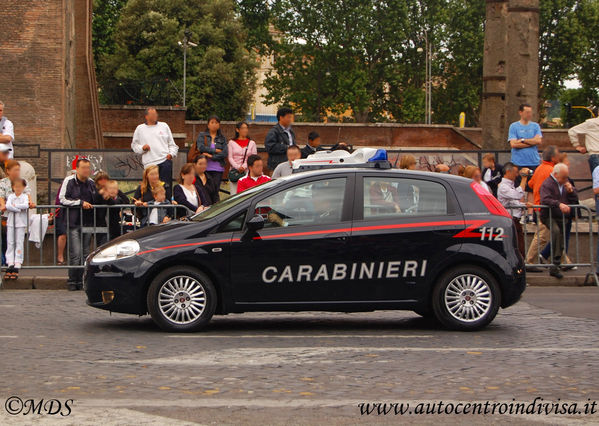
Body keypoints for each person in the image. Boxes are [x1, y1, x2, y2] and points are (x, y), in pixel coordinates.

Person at [59, 158, 95, 291]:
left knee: (86, 252)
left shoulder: (91, 183)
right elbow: (62, 199)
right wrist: (79, 203)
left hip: (88, 221)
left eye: (88, 168)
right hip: (73, 221)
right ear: (77, 169)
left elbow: (95, 199)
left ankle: (82, 280)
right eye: (84, 168)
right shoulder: (69, 181)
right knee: (76, 252)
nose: (86, 170)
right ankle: (72, 280)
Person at [539, 163, 578, 279]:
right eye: (563, 177)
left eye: (567, 177)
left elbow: (575, 199)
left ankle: (555, 265)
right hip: (549, 215)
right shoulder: (547, 184)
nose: (565, 180)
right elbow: (545, 199)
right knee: (556, 231)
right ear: (556, 175)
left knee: (561, 239)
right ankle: (554, 262)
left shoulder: (565, 183)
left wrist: (571, 191)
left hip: (562, 216)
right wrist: (559, 204)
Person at [525, 145, 560, 270]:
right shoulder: (551, 171)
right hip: (545, 207)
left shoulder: (539, 168)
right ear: (552, 157)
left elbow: (531, 184)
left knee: (551, 234)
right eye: (557, 154)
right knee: (542, 236)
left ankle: (564, 261)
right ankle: (529, 261)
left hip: (539, 205)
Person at [131, 107, 178, 199]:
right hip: (150, 163)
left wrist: (171, 154)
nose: (155, 116)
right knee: (149, 188)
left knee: (166, 187)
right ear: (146, 116)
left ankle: (167, 209)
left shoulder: (164, 126)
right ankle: (149, 208)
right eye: (152, 114)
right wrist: (142, 148)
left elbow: (172, 144)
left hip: (164, 161)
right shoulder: (140, 128)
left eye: (156, 114)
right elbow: (134, 146)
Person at [508, 103, 542, 220]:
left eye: (530, 112)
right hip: (519, 162)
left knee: (532, 188)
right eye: (527, 112)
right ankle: (521, 213)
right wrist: (530, 142)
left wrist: (522, 140)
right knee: (520, 188)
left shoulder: (535, 126)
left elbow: (538, 141)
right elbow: (513, 144)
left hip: (533, 162)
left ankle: (531, 214)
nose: (529, 114)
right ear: (520, 112)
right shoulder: (514, 126)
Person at [497, 162, 531, 257]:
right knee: (515, 248)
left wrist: (523, 205)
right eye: (515, 172)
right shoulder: (503, 187)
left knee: (520, 248)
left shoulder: (510, 186)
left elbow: (513, 202)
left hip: (515, 220)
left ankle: (521, 266)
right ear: (508, 172)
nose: (517, 175)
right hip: (509, 220)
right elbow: (517, 195)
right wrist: (524, 178)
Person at [196, 115, 227, 201]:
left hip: (218, 168)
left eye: (216, 122)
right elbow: (201, 148)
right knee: (204, 190)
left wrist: (211, 156)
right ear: (208, 125)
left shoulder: (222, 138)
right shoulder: (203, 135)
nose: (214, 124)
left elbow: (225, 153)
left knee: (215, 190)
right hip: (205, 168)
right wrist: (215, 150)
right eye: (212, 122)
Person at [4, 179, 29, 280]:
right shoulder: (11, 196)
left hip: (20, 222)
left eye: (20, 187)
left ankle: (18, 260)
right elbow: (8, 205)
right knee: (10, 242)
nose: (18, 189)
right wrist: (18, 209)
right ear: (13, 187)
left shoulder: (24, 196)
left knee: (19, 241)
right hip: (11, 222)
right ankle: (10, 260)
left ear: (23, 188)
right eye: (16, 187)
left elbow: (26, 205)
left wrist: (15, 207)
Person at [227, 122, 257, 195]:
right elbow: (230, 157)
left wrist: (244, 166)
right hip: (235, 171)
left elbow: (253, 157)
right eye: (243, 128)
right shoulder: (231, 142)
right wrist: (237, 167)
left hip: (247, 171)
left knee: (247, 193)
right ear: (237, 130)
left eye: (246, 128)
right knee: (234, 193)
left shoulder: (252, 143)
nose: (245, 130)